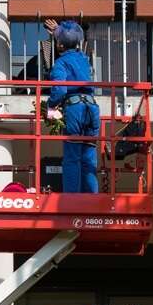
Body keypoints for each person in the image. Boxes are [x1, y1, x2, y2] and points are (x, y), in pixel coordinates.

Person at [47, 21, 100, 193]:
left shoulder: (61, 63)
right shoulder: (83, 58)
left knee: (72, 158)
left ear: (60, 45)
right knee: (89, 159)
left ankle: (72, 199)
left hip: (74, 108)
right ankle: (92, 198)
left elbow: (60, 90)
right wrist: (60, 32)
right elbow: (71, 39)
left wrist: (50, 106)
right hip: (92, 107)